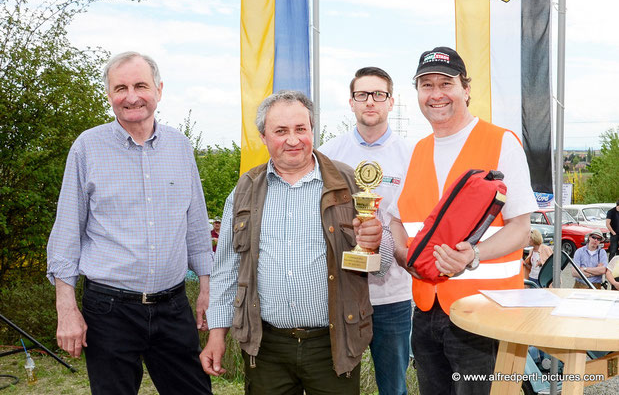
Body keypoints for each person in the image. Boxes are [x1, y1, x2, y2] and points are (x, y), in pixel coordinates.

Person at [46, 52, 213, 395]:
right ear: (109, 94)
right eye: (120, 87)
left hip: (173, 307)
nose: (132, 96)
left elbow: (196, 225)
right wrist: (67, 308)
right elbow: (67, 232)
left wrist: (208, 289)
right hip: (109, 312)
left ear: (159, 90)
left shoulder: (180, 147)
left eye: (141, 85)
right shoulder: (87, 148)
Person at [201, 90, 384, 394]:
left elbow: (381, 262)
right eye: (281, 131)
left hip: (334, 345)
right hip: (267, 346)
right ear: (263, 136)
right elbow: (226, 268)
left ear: (313, 130)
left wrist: (377, 241)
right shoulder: (245, 189)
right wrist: (217, 334)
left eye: (301, 129)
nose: (293, 140)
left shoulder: (348, 182)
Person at [389, 46, 537, 395]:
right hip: (426, 312)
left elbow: (521, 228)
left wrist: (473, 255)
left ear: (465, 89)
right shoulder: (416, 151)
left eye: (446, 83)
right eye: (427, 85)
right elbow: (396, 221)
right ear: (418, 93)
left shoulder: (501, 142)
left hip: (487, 312)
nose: (436, 94)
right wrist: (402, 256)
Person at [319, 67, 413, 395]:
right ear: (351, 102)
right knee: (340, 386)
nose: (370, 101)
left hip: (394, 294)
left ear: (391, 102)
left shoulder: (413, 155)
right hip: (343, 292)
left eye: (378, 95)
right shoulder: (329, 154)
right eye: (362, 95)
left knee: (394, 388)